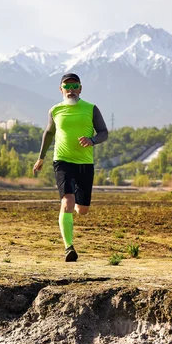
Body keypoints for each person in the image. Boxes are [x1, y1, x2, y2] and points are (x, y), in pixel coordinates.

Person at [33, 73, 108, 262]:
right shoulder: (55, 110)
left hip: (84, 163)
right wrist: (41, 158)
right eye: (67, 87)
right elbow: (49, 133)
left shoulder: (91, 109)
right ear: (61, 90)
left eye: (75, 86)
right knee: (67, 202)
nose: (71, 90)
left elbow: (104, 133)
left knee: (82, 210)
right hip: (62, 161)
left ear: (81, 88)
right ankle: (69, 247)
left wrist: (92, 140)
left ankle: (74, 208)